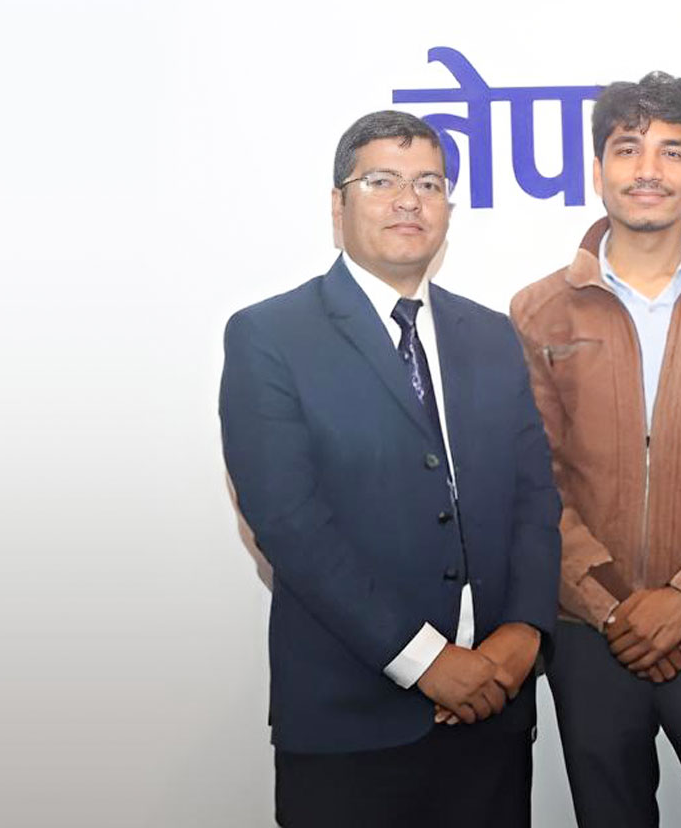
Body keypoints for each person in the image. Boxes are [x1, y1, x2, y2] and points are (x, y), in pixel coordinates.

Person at [220, 110, 561, 826]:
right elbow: (289, 525)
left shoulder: (491, 335)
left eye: (429, 184)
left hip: (493, 712)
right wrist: (426, 661)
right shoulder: (269, 336)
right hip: (351, 725)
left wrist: (524, 631)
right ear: (337, 204)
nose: (409, 200)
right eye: (382, 181)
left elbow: (536, 498)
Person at [510, 71, 681, 827]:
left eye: (671, 152)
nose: (648, 170)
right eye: (627, 148)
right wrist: (614, 612)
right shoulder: (537, 313)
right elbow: (534, 483)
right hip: (589, 636)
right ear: (597, 170)